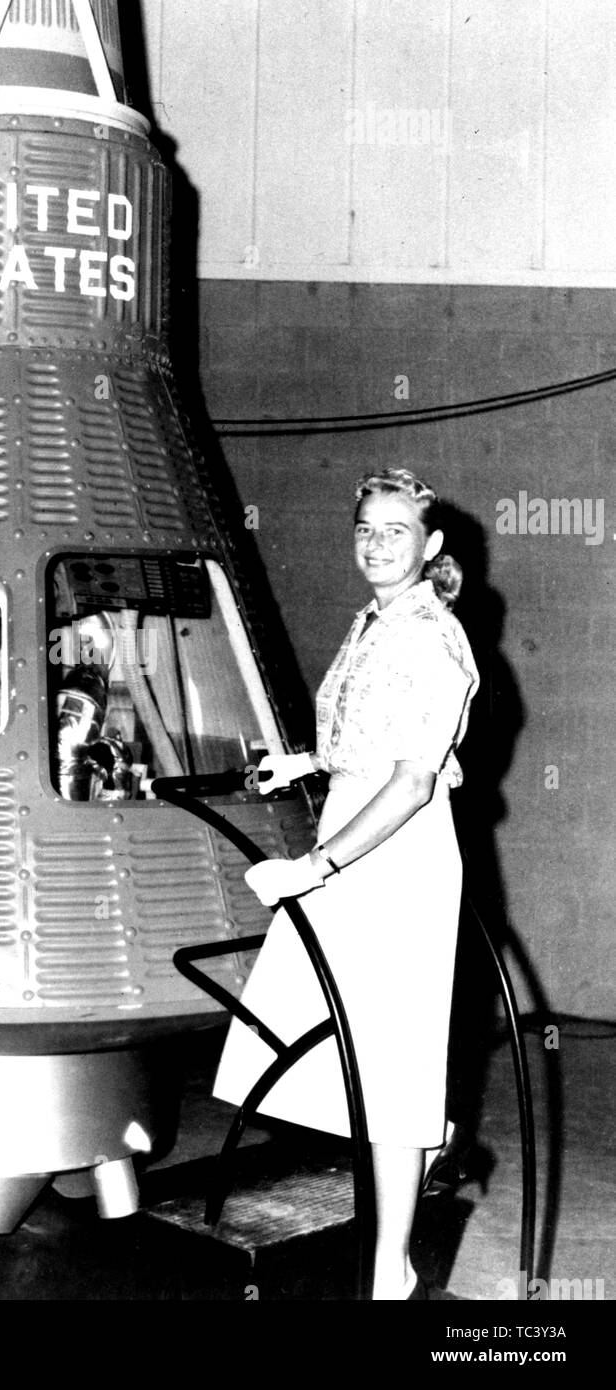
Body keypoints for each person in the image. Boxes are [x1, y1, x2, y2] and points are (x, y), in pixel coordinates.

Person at [212, 467, 480, 1301]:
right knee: (343, 1046)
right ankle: (433, 1137)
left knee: (389, 1063)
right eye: (365, 527)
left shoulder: (433, 635)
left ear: (429, 546)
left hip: (396, 858)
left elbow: (410, 782)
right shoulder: (374, 621)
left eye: (395, 531)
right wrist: (308, 759)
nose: (375, 543)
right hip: (352, 833)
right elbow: (368, 739)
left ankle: (392, 1267)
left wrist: (315, 866)